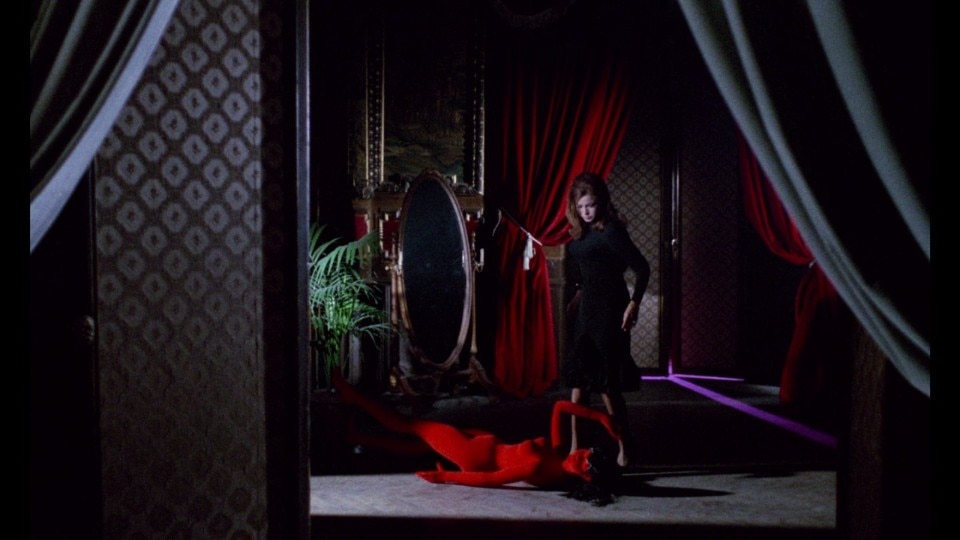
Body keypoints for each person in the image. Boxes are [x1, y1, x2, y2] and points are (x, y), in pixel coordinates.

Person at [331, 368, 624, 505]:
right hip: (482, 443)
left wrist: (446, 478)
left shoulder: (540, 468)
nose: (580, 453)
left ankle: (354, 397)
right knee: (418, 447)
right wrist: (600, 418)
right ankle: (360, 437)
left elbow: (491, 479)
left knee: (413, 426)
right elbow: (560, 408)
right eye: (586, 451)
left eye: (584, 461)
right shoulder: (559, 454)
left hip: (473, 454)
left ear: (586, 477)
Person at [564, 172, 651, 468]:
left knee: (607, 386)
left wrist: (634, 304)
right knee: (578, 385)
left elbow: (642, 268)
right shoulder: (580, 232)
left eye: (591, 205)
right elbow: (588, 269)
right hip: (587, 310)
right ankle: (574, 449)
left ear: (601, 202)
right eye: (581, 207)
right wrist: (579, 293)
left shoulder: (612, 231)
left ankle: (625, 447)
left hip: (610, 311)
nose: (586, 211)